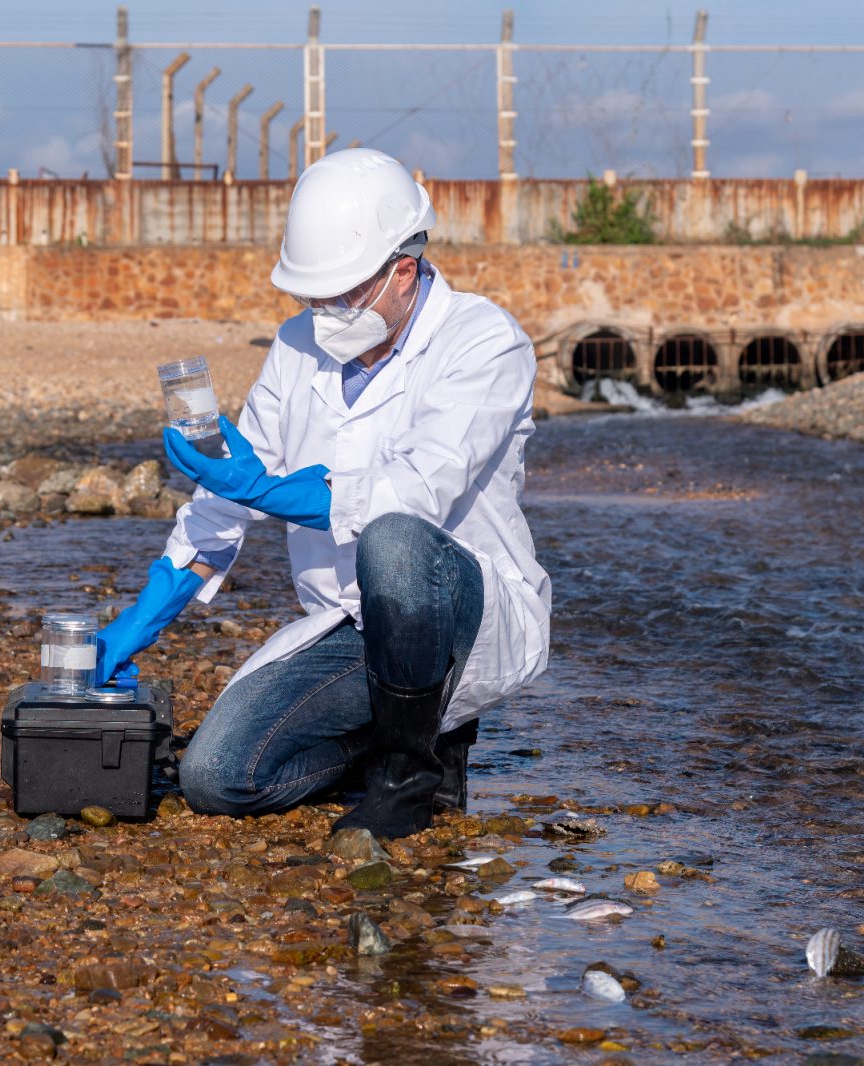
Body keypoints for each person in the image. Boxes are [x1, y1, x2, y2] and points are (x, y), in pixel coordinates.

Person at [95, 147, 550, 839]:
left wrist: (270, 491)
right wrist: (149, 612)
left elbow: (414, 493)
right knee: (216, 777)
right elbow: (233, 490)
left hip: (456, 613)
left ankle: (409, 777)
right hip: (350, 625)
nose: (325, 313)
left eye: (342, 295)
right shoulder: (297, 346)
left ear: (404, 270)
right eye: (312, 297)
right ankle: (396, 738)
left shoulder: (484, 342)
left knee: (394, 540)